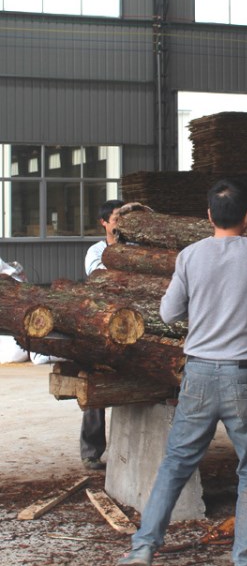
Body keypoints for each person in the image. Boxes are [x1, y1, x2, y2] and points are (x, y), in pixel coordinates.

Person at [118, 179, 247, 566]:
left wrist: (203, 307)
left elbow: (169, 313)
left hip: (199, 375)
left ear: (208, 216)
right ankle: (245, 559)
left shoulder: (190, 256)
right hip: (242, 376)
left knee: (175, 465)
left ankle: (142, 550)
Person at [81, 198, 124, 471]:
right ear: (104, 222)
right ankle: (91, 452)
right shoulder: (95, 251)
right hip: (103, 324)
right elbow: (100, 276)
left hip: (135, 323)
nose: (120, 224)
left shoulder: (138, 249)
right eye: (117, 218)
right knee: (97, 387)